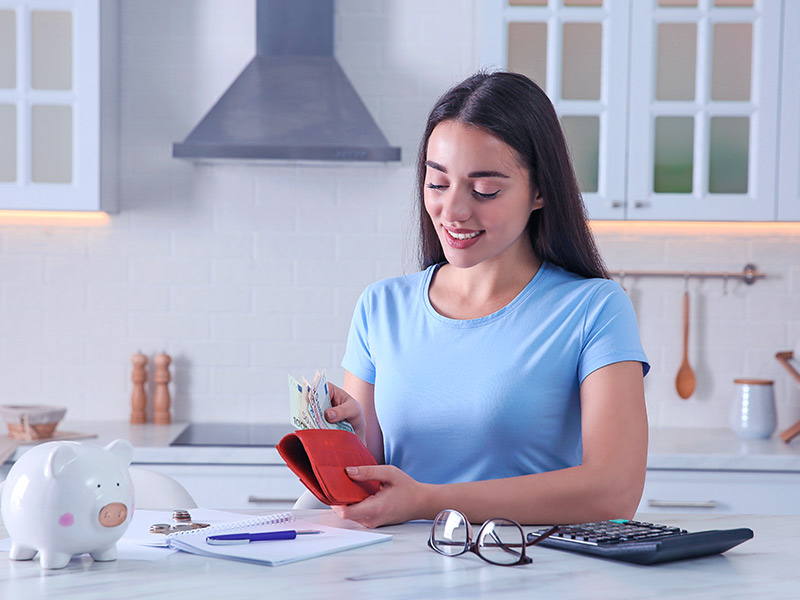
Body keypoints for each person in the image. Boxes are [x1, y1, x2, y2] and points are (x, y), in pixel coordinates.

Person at [323, 71, 649, 529]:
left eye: (485, 190)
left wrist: (425, 500)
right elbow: (373, 489)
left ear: (540, 191)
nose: (453, 211)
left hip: (528, 570)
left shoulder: (594, 309)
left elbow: (614, 493)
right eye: (437, 184)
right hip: (394, 575)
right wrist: (349, 442)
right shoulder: (381, 307)